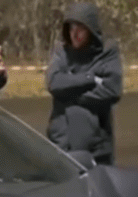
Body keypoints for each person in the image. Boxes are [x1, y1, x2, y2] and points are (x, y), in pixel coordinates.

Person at [44, 2, 123, 165]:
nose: (75, 34)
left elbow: (112, 90)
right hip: (61, 144)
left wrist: (67, 94)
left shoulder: (107, 52)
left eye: (81, 29)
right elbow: (53, 83)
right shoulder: (62, 51)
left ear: (91, 30)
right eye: (71, 28)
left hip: (97, 151)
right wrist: (90, 79)